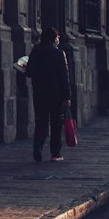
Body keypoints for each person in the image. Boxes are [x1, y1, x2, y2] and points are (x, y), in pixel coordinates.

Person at [24, 26, 71, 162]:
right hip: (56, 95)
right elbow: (64, 77)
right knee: (56, 124)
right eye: (57, 37)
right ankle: (55, 153)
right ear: (53, 39)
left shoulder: (35, 52)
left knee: (41, 122)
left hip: (39, 94)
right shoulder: (59, 54)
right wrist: (67, 97)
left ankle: (38, 146)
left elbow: (28, 72)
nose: (58, 40)